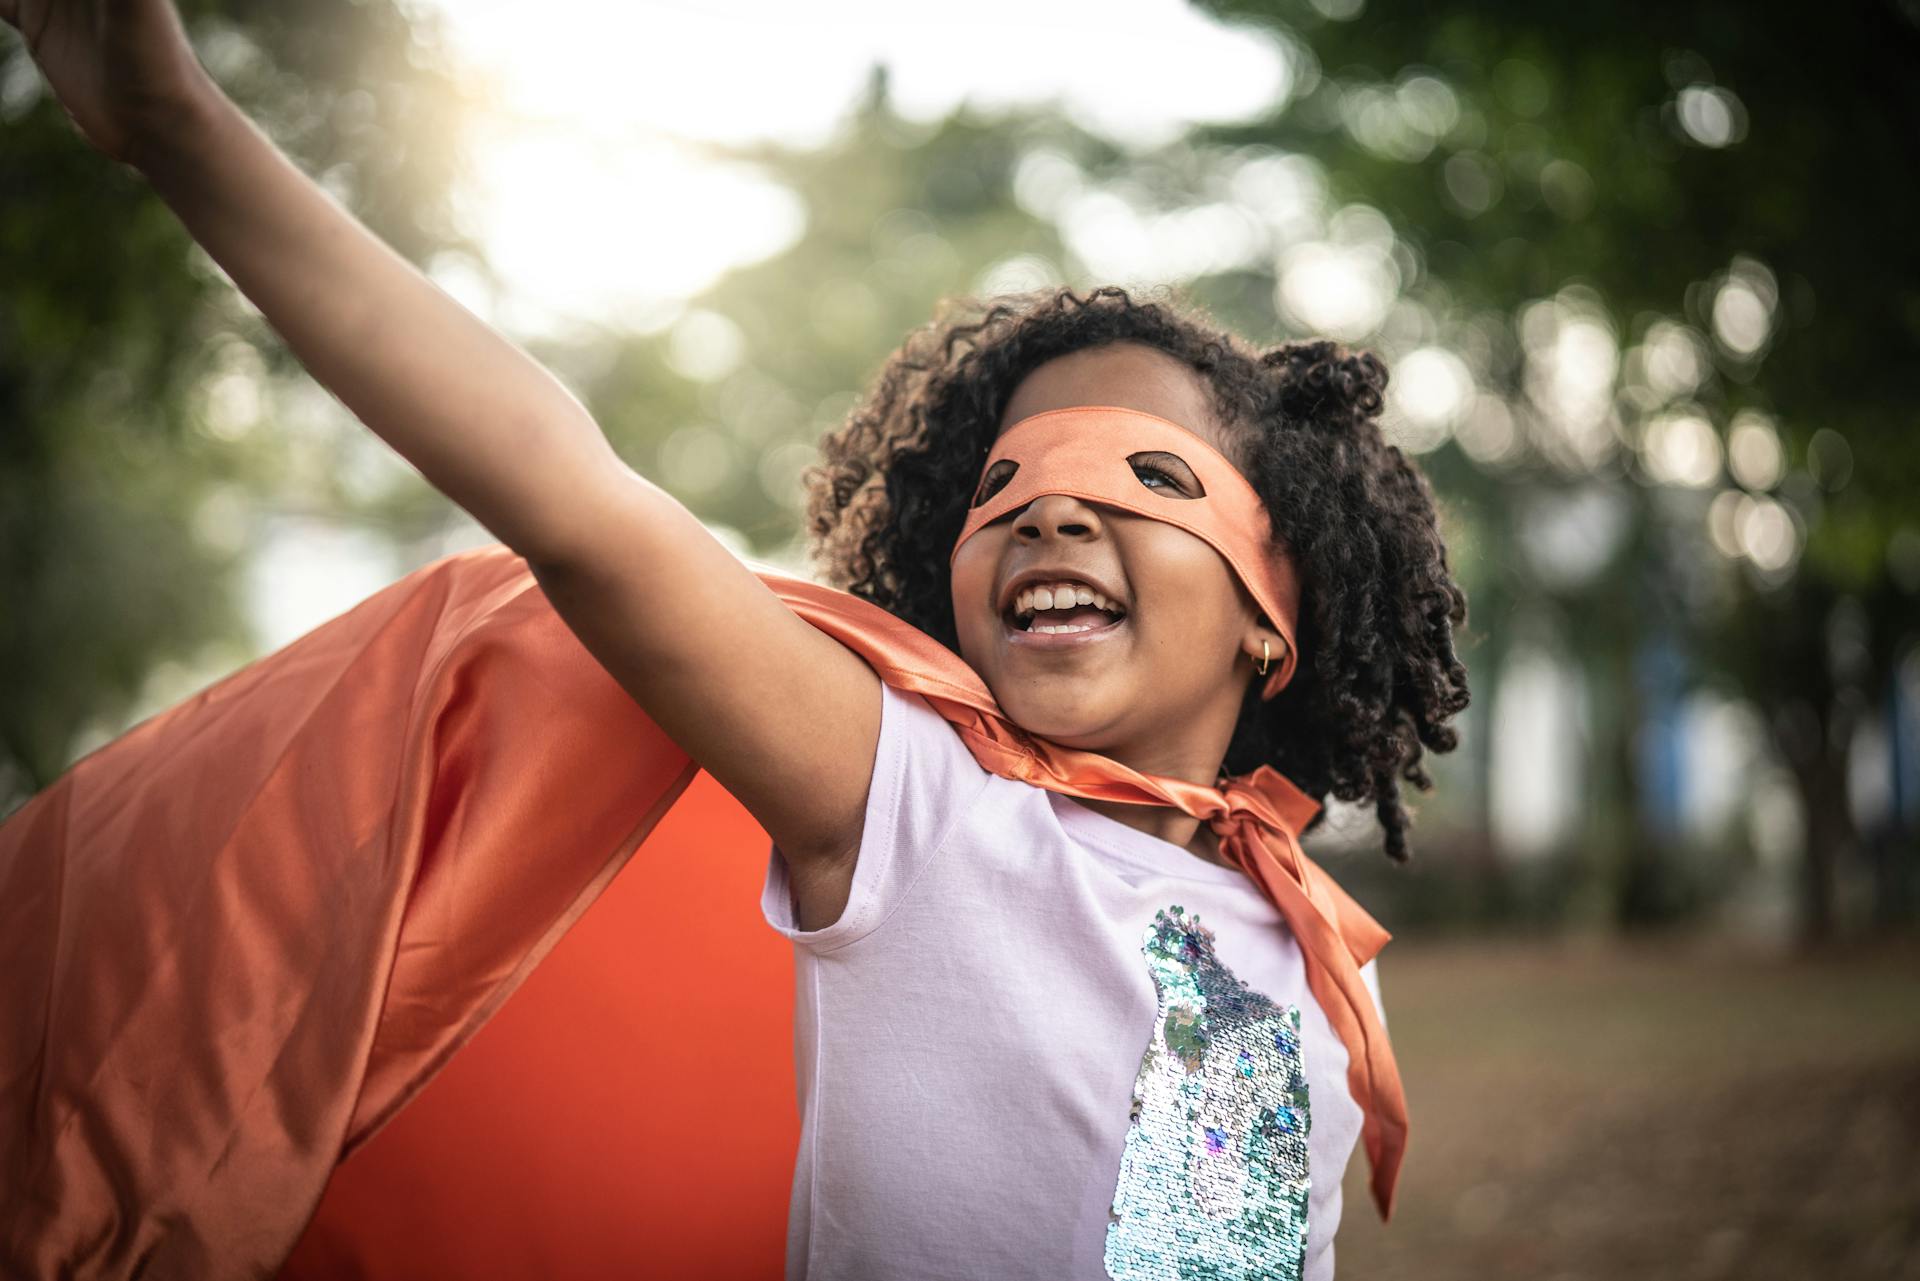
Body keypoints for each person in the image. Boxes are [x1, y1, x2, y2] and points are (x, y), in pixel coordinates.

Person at [0, 1, 1470, 1278]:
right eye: (1003, 488)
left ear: (1275, 613)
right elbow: (581, 507)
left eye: (1147, 479)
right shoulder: (913, 803)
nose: (1048, 516)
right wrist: (176, 124)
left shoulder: (1315, 955)